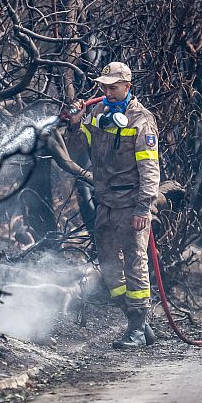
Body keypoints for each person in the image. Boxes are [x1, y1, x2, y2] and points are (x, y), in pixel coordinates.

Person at [66, 61, 160, 349]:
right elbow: (79, 148)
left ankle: (135, 329)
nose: (107, 90)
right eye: (104, 86)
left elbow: (150, 169)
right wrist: (75, 124)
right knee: (108, 266)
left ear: (127, 86)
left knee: (135, 263)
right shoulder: (99, 111)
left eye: (113, 86)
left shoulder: (141, 120)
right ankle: (139, 323)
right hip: (105, 202)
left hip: (131, 204)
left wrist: (143, 208)